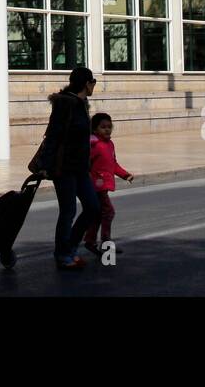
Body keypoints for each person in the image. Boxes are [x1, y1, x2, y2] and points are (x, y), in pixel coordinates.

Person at [40, 66, 101, 270]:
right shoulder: (65, 104)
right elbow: (53, 135)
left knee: (93, 207)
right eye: (93, 82)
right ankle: (62, 254)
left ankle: (71, 246)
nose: (94, 86)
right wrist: (46, 165)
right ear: (86, 83)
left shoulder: (82, 103)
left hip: (81, 167)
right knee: (68, 211)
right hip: (64, 167)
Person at [83, 113, 133, 256]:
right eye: (103, 127)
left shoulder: (109, 144)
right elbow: (85, 163)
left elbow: (113, 164)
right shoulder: (94, 145)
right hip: (97, 186)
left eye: (109, 127)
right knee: (108, 212)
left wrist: (125, 174)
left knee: (100, 214)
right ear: (95, 129)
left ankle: (90, 240)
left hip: (103, 186)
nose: (107, 130)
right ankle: (105, 243)